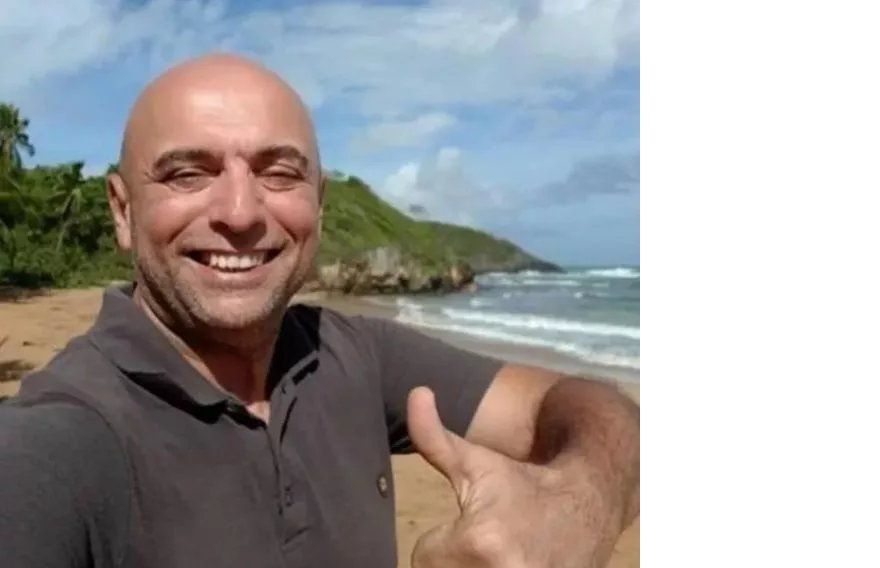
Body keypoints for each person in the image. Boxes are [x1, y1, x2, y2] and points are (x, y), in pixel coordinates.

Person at [0, 54, 639, 568]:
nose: (241, 213)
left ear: (320, 204)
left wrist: (576, 504)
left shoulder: (355, 357)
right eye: (188, 174)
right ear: (122, 211)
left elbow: (600, 411)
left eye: (279, 173)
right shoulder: (57, 442)